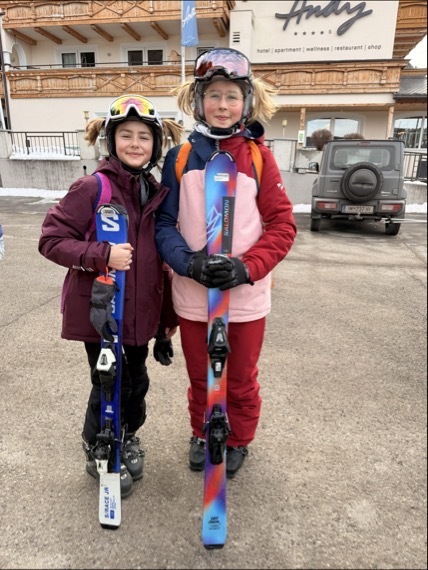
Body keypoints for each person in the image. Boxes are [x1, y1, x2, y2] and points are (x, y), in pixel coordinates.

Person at [155, 48, 297, 478]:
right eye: (213, 95)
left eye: (232, 96)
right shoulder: (180, 158)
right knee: (201, 376)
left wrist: (246, 267)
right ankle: (202, 432)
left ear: (246, 102)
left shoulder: (258, 157)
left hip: (245, 297)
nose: (222, 105)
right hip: (194, 295)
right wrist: (188, 263)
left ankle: (238, 439)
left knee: (240, 378)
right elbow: (163, 224)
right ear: (198, 102)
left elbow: (282, 225)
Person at [39, 95, 183, 498]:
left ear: (156, 144)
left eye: (144, 137)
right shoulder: (92, 188)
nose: (135, 144)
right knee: (109, 382)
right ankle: (98, 444)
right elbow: (51, 241)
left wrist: (166, 321)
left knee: (137, 383)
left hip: (141, 315)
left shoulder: (154, 193)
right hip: (103, 314)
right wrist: (102, 254)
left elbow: (159, 263)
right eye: (126, 135)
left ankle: (127, 436)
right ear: (111, 140)